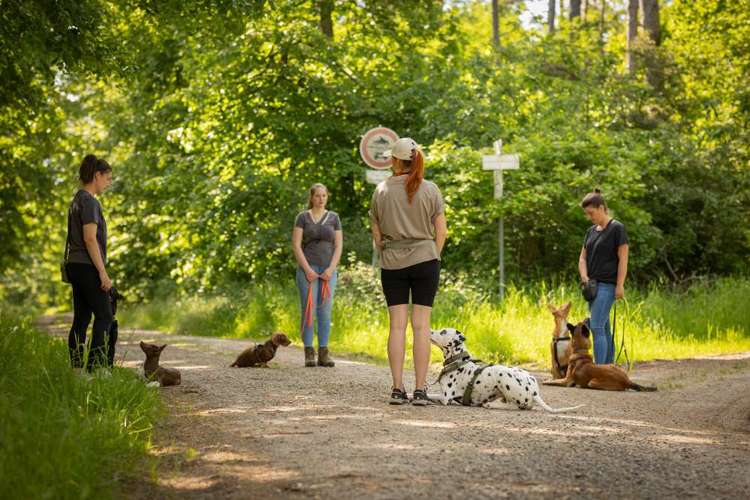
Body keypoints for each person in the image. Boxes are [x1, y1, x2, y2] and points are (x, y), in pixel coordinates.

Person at [370, 137, 447, 406]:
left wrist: (387, 251)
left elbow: (377, 235)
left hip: (393, 263)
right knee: (421, 326)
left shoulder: (381, 190)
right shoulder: (431, 189)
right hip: (426, 260)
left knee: (397, 327)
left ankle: (397, 388)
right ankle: (420, 390)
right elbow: (441, 232)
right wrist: (433, 256)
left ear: (394, 160)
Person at [64, 154, 114, 371]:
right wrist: (102, 273)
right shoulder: (90, 202)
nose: (108, 183)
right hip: (87, 266)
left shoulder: (76, 200)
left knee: (82, 319)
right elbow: (90, 238)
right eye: (107, 178)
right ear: (97, 175)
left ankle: (76, 371)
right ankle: (94, 369)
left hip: (74, 266)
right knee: (105, 316)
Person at [292, 183, 343, 367]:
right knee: (308, 311)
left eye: (324, 196)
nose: (321, 199)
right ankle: (308, 352)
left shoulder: (334, 218)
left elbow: (338, 246)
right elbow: (296, 245)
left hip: (328, 271)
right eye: (317, 196)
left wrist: (331, 269)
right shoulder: (302, 218)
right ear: (311, 198)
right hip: (308, 269)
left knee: (325, 312)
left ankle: (323, 353)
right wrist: (307, 270)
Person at [578, 189, 629, 365]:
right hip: (592, 287)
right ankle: (609, 367)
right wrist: (584, 277)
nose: (589, 217)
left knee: (597, 326)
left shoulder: (617, 228)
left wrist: (620, 285)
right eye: (587, 214)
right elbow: (582, 258)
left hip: (608, 286)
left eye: (591, 213)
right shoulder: (591, 231)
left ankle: (599, 369)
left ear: (601, 208)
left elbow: (623, 258)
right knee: (605, 329)